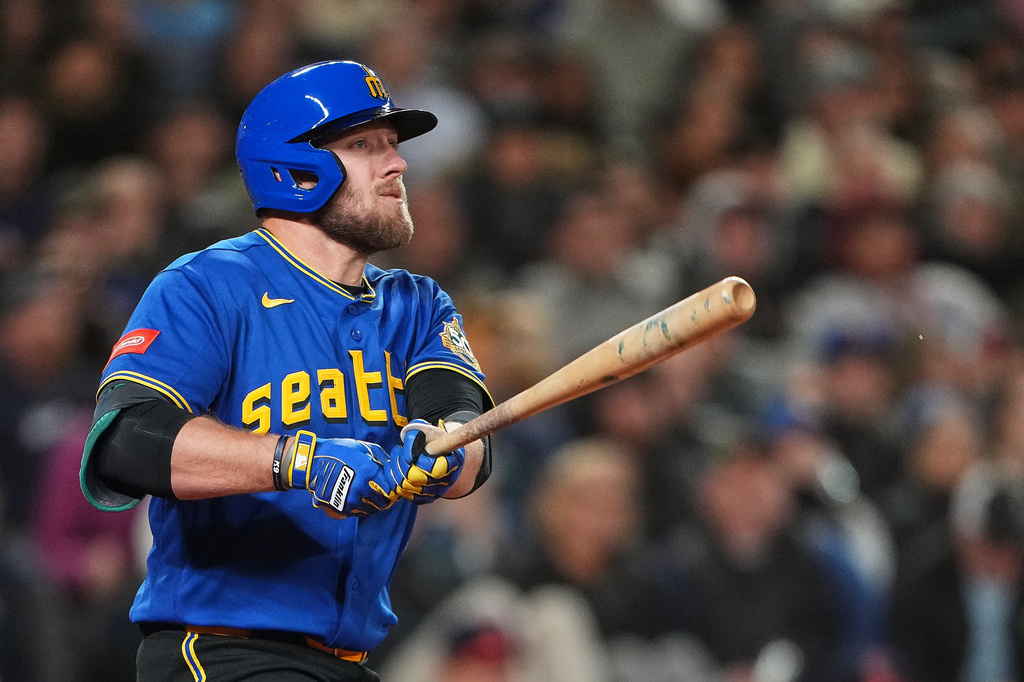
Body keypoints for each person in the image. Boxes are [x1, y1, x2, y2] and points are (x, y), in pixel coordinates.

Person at [78, 60, 493, 682]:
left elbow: (464, 421)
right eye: (365, 144)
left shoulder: (418, 303)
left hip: (346, 661)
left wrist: (440, 454)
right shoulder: (208, 285)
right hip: (217, 651)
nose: (398, 163)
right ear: (297, 167)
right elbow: (125, 442)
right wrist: (298, 461)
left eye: (393, 144)